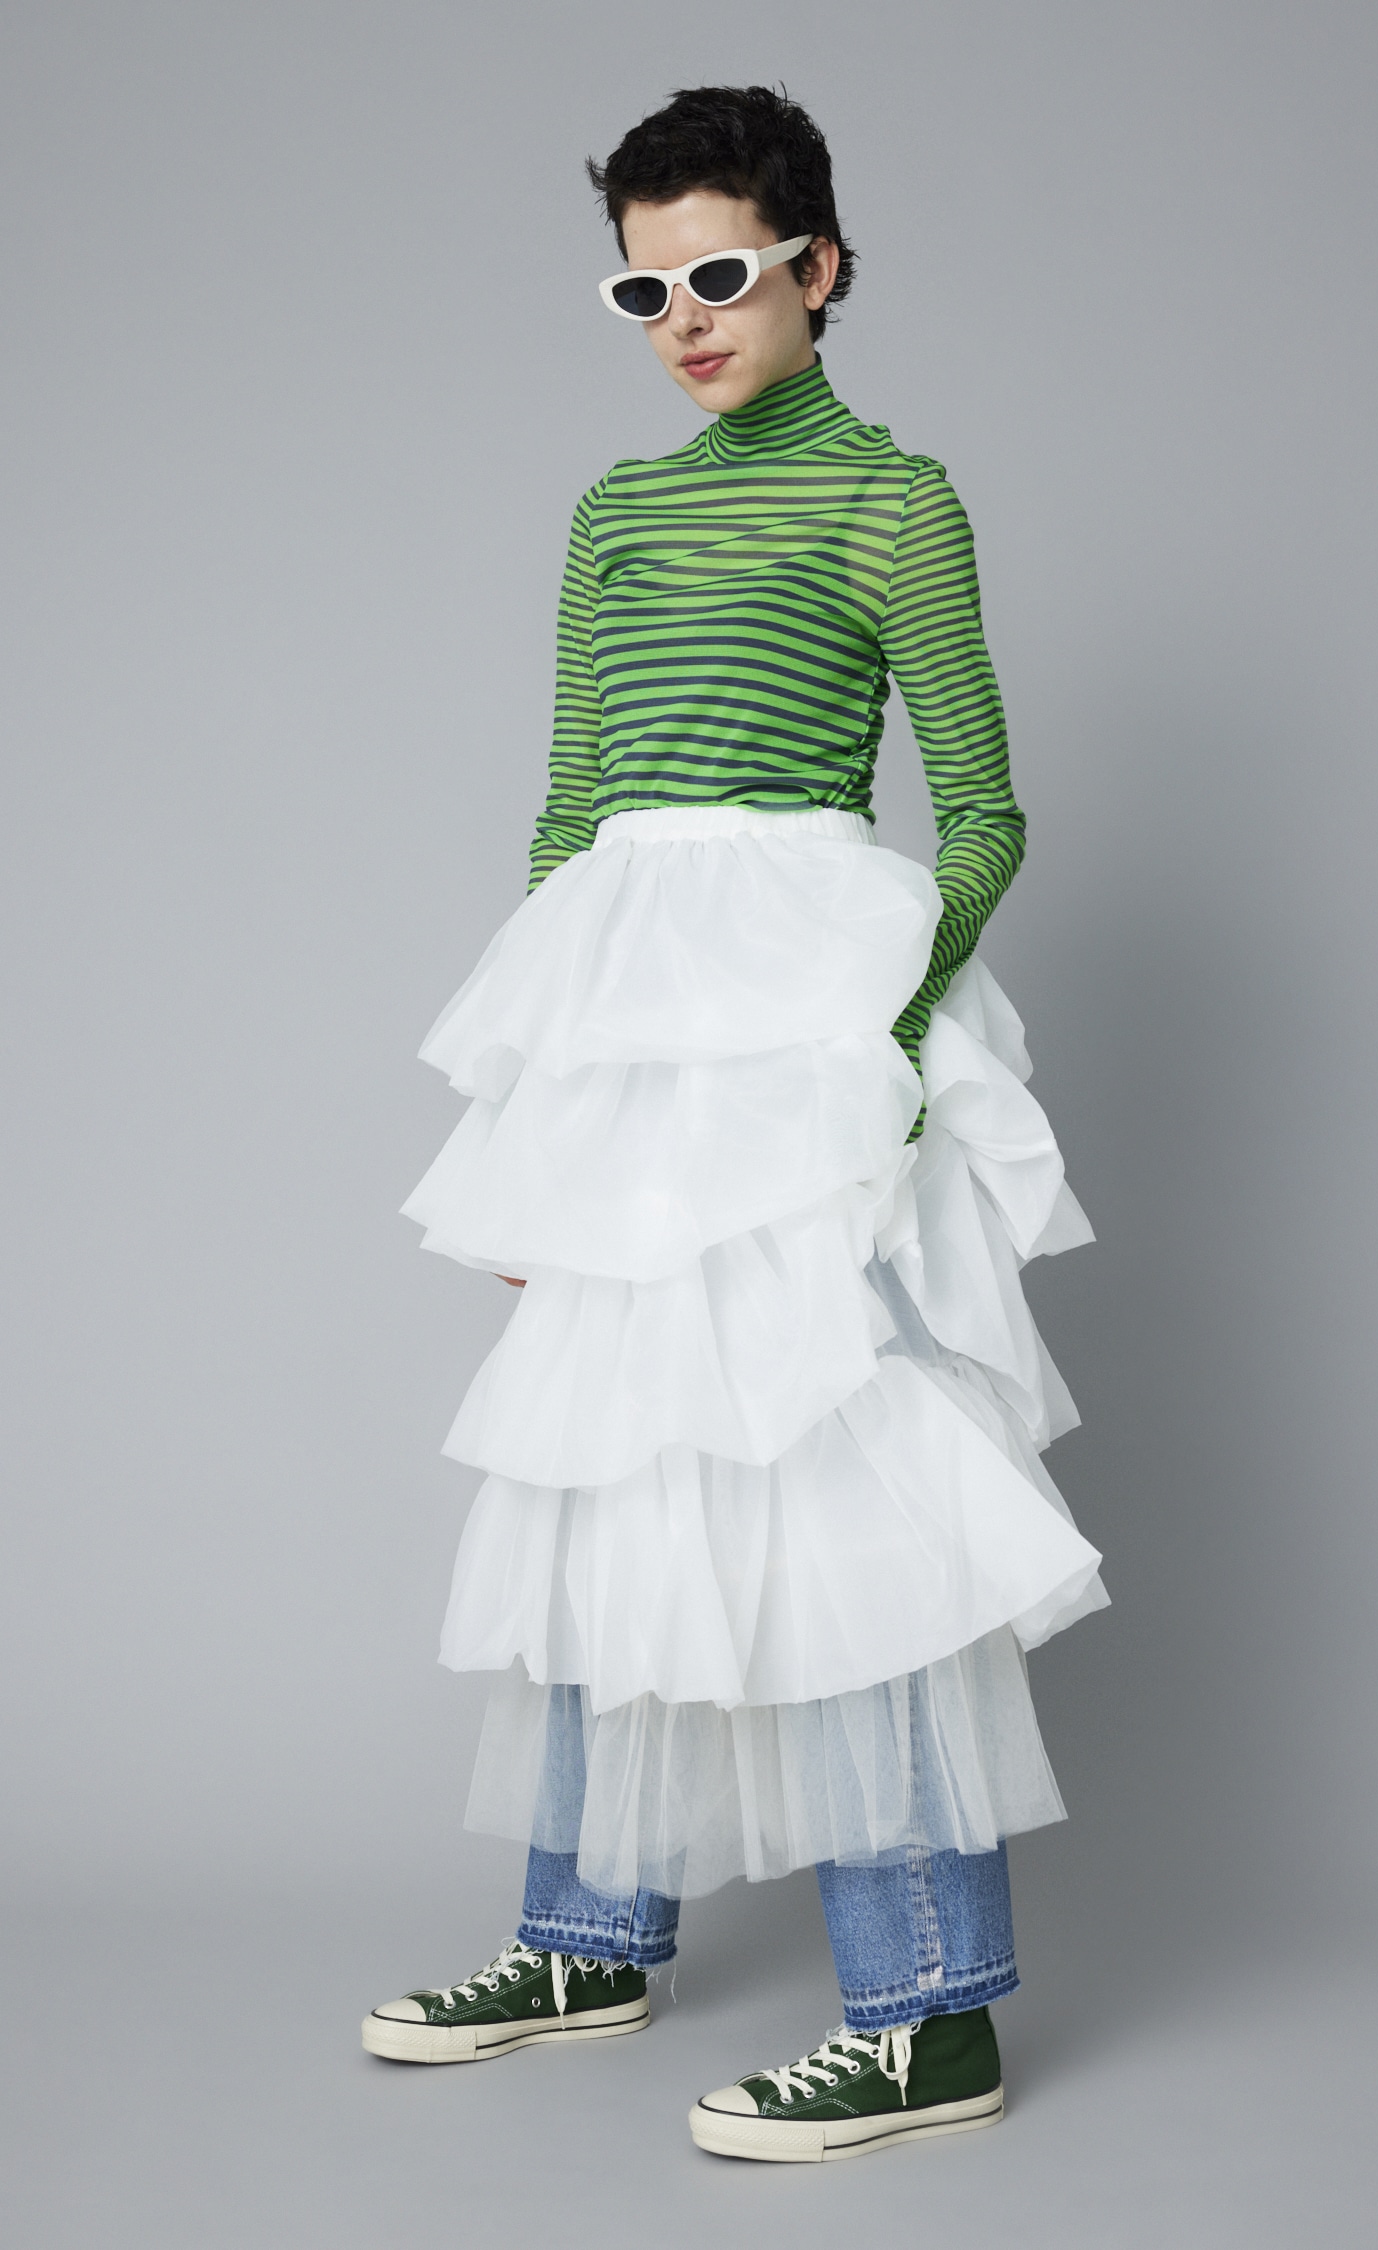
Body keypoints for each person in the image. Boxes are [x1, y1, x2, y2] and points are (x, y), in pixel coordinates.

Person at [362, 82, 1107, 2163]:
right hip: (633, 1038)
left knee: (849, 1477)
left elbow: (984, 810)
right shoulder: (613, 512)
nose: (683, 318)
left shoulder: (896, 503)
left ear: (818, 267)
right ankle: (586, 1936)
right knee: (611, 1477)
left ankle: (928, 2014)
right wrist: (540, 1117)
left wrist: (889, 1032)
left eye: (719, 272)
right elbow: (571, 818)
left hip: (808, 1029)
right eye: (643, 287)